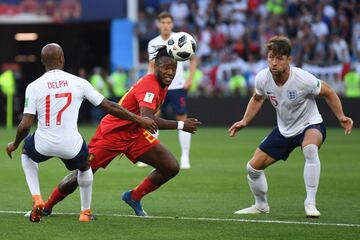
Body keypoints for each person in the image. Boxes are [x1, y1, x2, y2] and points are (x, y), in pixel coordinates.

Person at [39, 46, 201, 217]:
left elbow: (145, 118)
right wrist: (181, 125)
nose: (170, 72)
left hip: (134, 133)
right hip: (112, 133)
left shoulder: (163, 83)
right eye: (165, 68)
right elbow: (148, 119)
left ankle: (134, 196)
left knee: (170, 167)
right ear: (156, 67)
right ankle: (47, 206)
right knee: (83, 172)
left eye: (173, 69)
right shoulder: (150, 84)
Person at [6, 43, 157, 222]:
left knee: (26, 153)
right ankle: (85, 212)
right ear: (62, 59)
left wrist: (15, 144)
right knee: (85, 166)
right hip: (71, 145)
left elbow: (25, 124)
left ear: (42, 61)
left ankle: (37, 199)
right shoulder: (78, 82)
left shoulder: (33, 86)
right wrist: (140, 119)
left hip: (43, 143)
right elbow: (110, 106)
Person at [228, 36, 353, 217]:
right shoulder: (262, 78)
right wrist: (245, 120)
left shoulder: (303, 78)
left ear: (289, 60)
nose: (274, 62)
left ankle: (310, 202)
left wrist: (341, 116)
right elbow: (257, 98)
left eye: (279, 58)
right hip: (284, 129)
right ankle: (261, 205)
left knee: (310, 149)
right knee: (252, 168)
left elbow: (329, 92)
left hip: (310, 124)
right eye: (271, 57)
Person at [147, 11, 197, 169]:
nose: (166, 25)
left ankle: (185, 157)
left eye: (168, 22)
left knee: (182, 119)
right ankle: (150, 156)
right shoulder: (152, 43)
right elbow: (151, 67)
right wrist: (149, 85)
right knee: (152, 118)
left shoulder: (180, 39)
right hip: (159, 86)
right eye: (163, 22)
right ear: (158, 24)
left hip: (176, 86)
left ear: (172, 24)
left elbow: (194, 59)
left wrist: (190, 79)